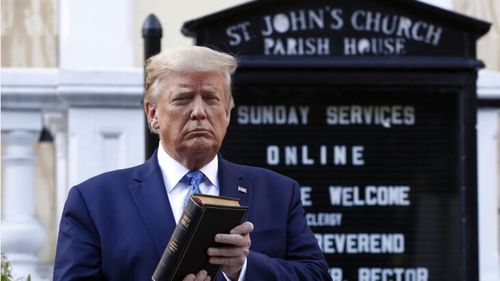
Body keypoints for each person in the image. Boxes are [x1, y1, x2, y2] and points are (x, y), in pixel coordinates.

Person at [53, 46, 331, 281]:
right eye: (183, 99)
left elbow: (317, 275)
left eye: (211, 99)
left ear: (227, 113)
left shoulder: (278, 192)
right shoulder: (95, 202)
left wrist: (242, 268)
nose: (199, 112)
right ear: (153, 114)